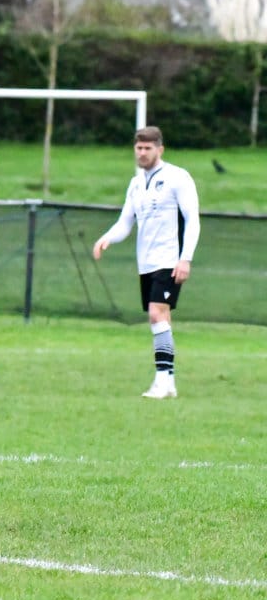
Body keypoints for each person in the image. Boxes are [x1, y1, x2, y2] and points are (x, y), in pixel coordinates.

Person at [93, 125, 200, 399]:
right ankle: (169, 381)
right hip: (147, 262)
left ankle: (161, 381)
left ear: (160, 149)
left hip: (170, 259)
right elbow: (125, 223)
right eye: (138, 148)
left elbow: (192, 220)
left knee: (156, 314)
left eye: (147, 148)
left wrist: (185, 259)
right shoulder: (136, 184)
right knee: (160, 318)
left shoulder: (177, 177)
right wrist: (106, 238)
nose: (142, 153)